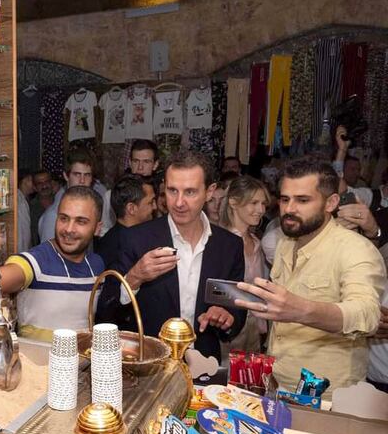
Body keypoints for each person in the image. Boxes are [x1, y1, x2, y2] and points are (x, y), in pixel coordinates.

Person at [236, 159, 385, 395]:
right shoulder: (285, 242)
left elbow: (366, 314)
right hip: (277, 382)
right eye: (285, 199)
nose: (289, 208)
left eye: (303, 200)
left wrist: (301, 310)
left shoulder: (355, 249)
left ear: (331, 202)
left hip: (327, 396)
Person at [97, 152, 247, 361]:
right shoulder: (137, 239)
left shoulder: (228, 246)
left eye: (190, 192)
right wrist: (134, 278)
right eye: (172, 190)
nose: (178, 202)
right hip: (148, 367)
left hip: (203, 368)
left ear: (210, 191)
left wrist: (226, 317)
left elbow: (237, 312)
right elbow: (105, 312)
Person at [0, 186, 104, 342]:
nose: (69, 229)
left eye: (81, 222)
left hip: (81, 365)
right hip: (37, 365)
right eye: (64, 218)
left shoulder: (97, 265)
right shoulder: (37, 260)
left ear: (97, 228)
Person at [95, 175, 156, 326]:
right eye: (150, 202)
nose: (155, 207)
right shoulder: (116, 246)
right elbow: (109, 304)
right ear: (131, 208)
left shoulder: (130, 237)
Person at [218, 176, 270, 354]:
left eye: (263, 204)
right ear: (233, 202)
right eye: (254, 203)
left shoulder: (256, 242)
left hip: (254, 329)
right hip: (227, 329)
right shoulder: (219, 241)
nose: (260, 210)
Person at [38, 151, 112, 243]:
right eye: (77, 174)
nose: (82, 180)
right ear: (66, 176)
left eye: (87, 175)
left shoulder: (91, 208)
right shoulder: (54, 215)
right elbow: (48, 255)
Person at [29, 169, 54, 245]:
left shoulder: (61, 202)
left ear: (51, 183)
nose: (44, 186)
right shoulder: (31, 208)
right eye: (40, 183)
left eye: (47, 182)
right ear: (35, 187)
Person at [17, 170, 34, 252]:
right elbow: (24, 231)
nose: (33, 184)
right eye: (31, 180)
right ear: (25, 181)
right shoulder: (20, 201)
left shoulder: (23, 199)